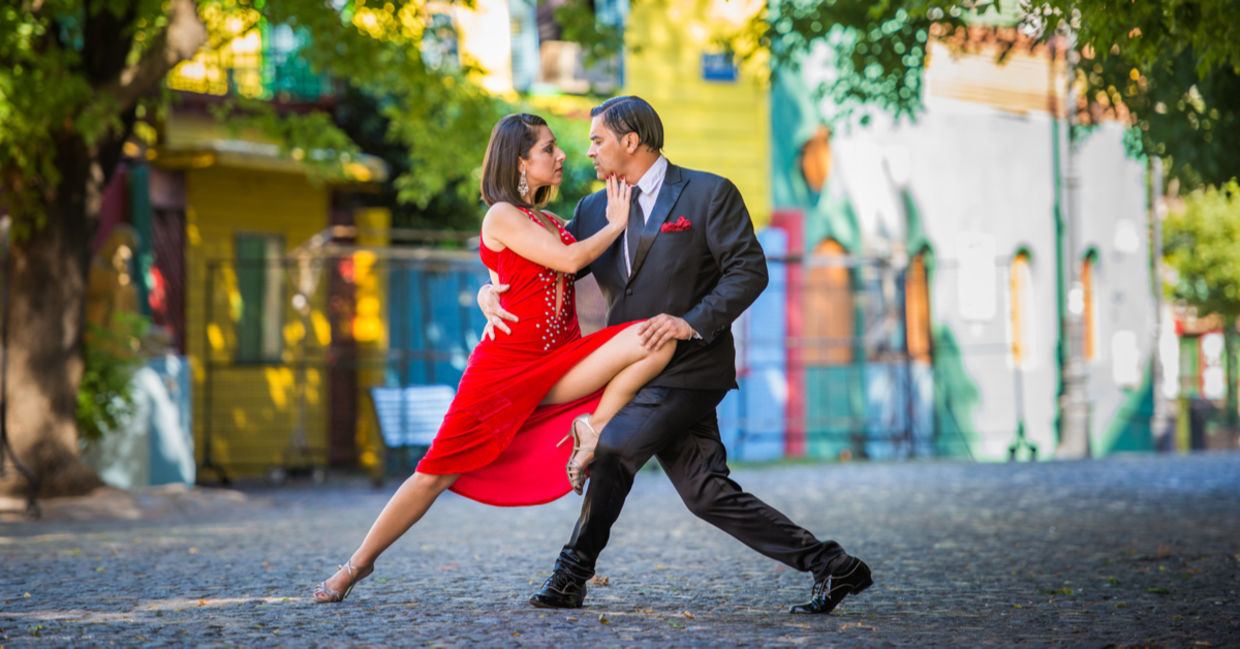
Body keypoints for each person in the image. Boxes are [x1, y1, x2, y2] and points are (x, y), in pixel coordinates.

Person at [479, 96, 871, 615]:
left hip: (692, 367)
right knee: (707, 492)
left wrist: (691, 322)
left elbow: (750, 271)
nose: (589, 151)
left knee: (613, 447)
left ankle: (570, 574)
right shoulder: (595, 210)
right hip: (633, 371)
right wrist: (490, 290)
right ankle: (835, 566)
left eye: (598, 140)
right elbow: (544, 266)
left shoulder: (709, 193)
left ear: (631, 141)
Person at [313, 113, 675, 603]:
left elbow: (518, 270)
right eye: (549, 148)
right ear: (520, 162)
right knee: (432, 475)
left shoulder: (547, 220)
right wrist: (615, 225)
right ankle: (356, 566)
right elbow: (569, 261)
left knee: (659, 338)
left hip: (561, 362)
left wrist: (489, 289)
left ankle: (591, 429)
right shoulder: (500, 214)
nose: (562, 154)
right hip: (503, 372)